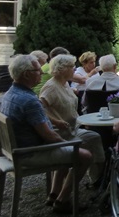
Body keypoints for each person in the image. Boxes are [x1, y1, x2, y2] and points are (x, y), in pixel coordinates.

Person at [1, 55, 92, 214]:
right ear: (27, 74)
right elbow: (49, 136)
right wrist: (68, 142)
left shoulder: (10, 93)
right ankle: (62, 201)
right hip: (29, 153)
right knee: (84, 156)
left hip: (16, 150)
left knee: (67, 149)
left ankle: (54, 194)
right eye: (37, 70)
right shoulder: (30, 101)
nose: (42, 74)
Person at [40, 54, 105, 188]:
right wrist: (56, 121)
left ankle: (97, 175)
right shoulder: (52, 87)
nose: (74, 70)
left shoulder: (64, 84)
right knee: (94, 139)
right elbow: (40, 108)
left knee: (95, 137)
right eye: (71, 67)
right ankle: (97, 177)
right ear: (62, 69)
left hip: (72, 128)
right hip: (62, 134)